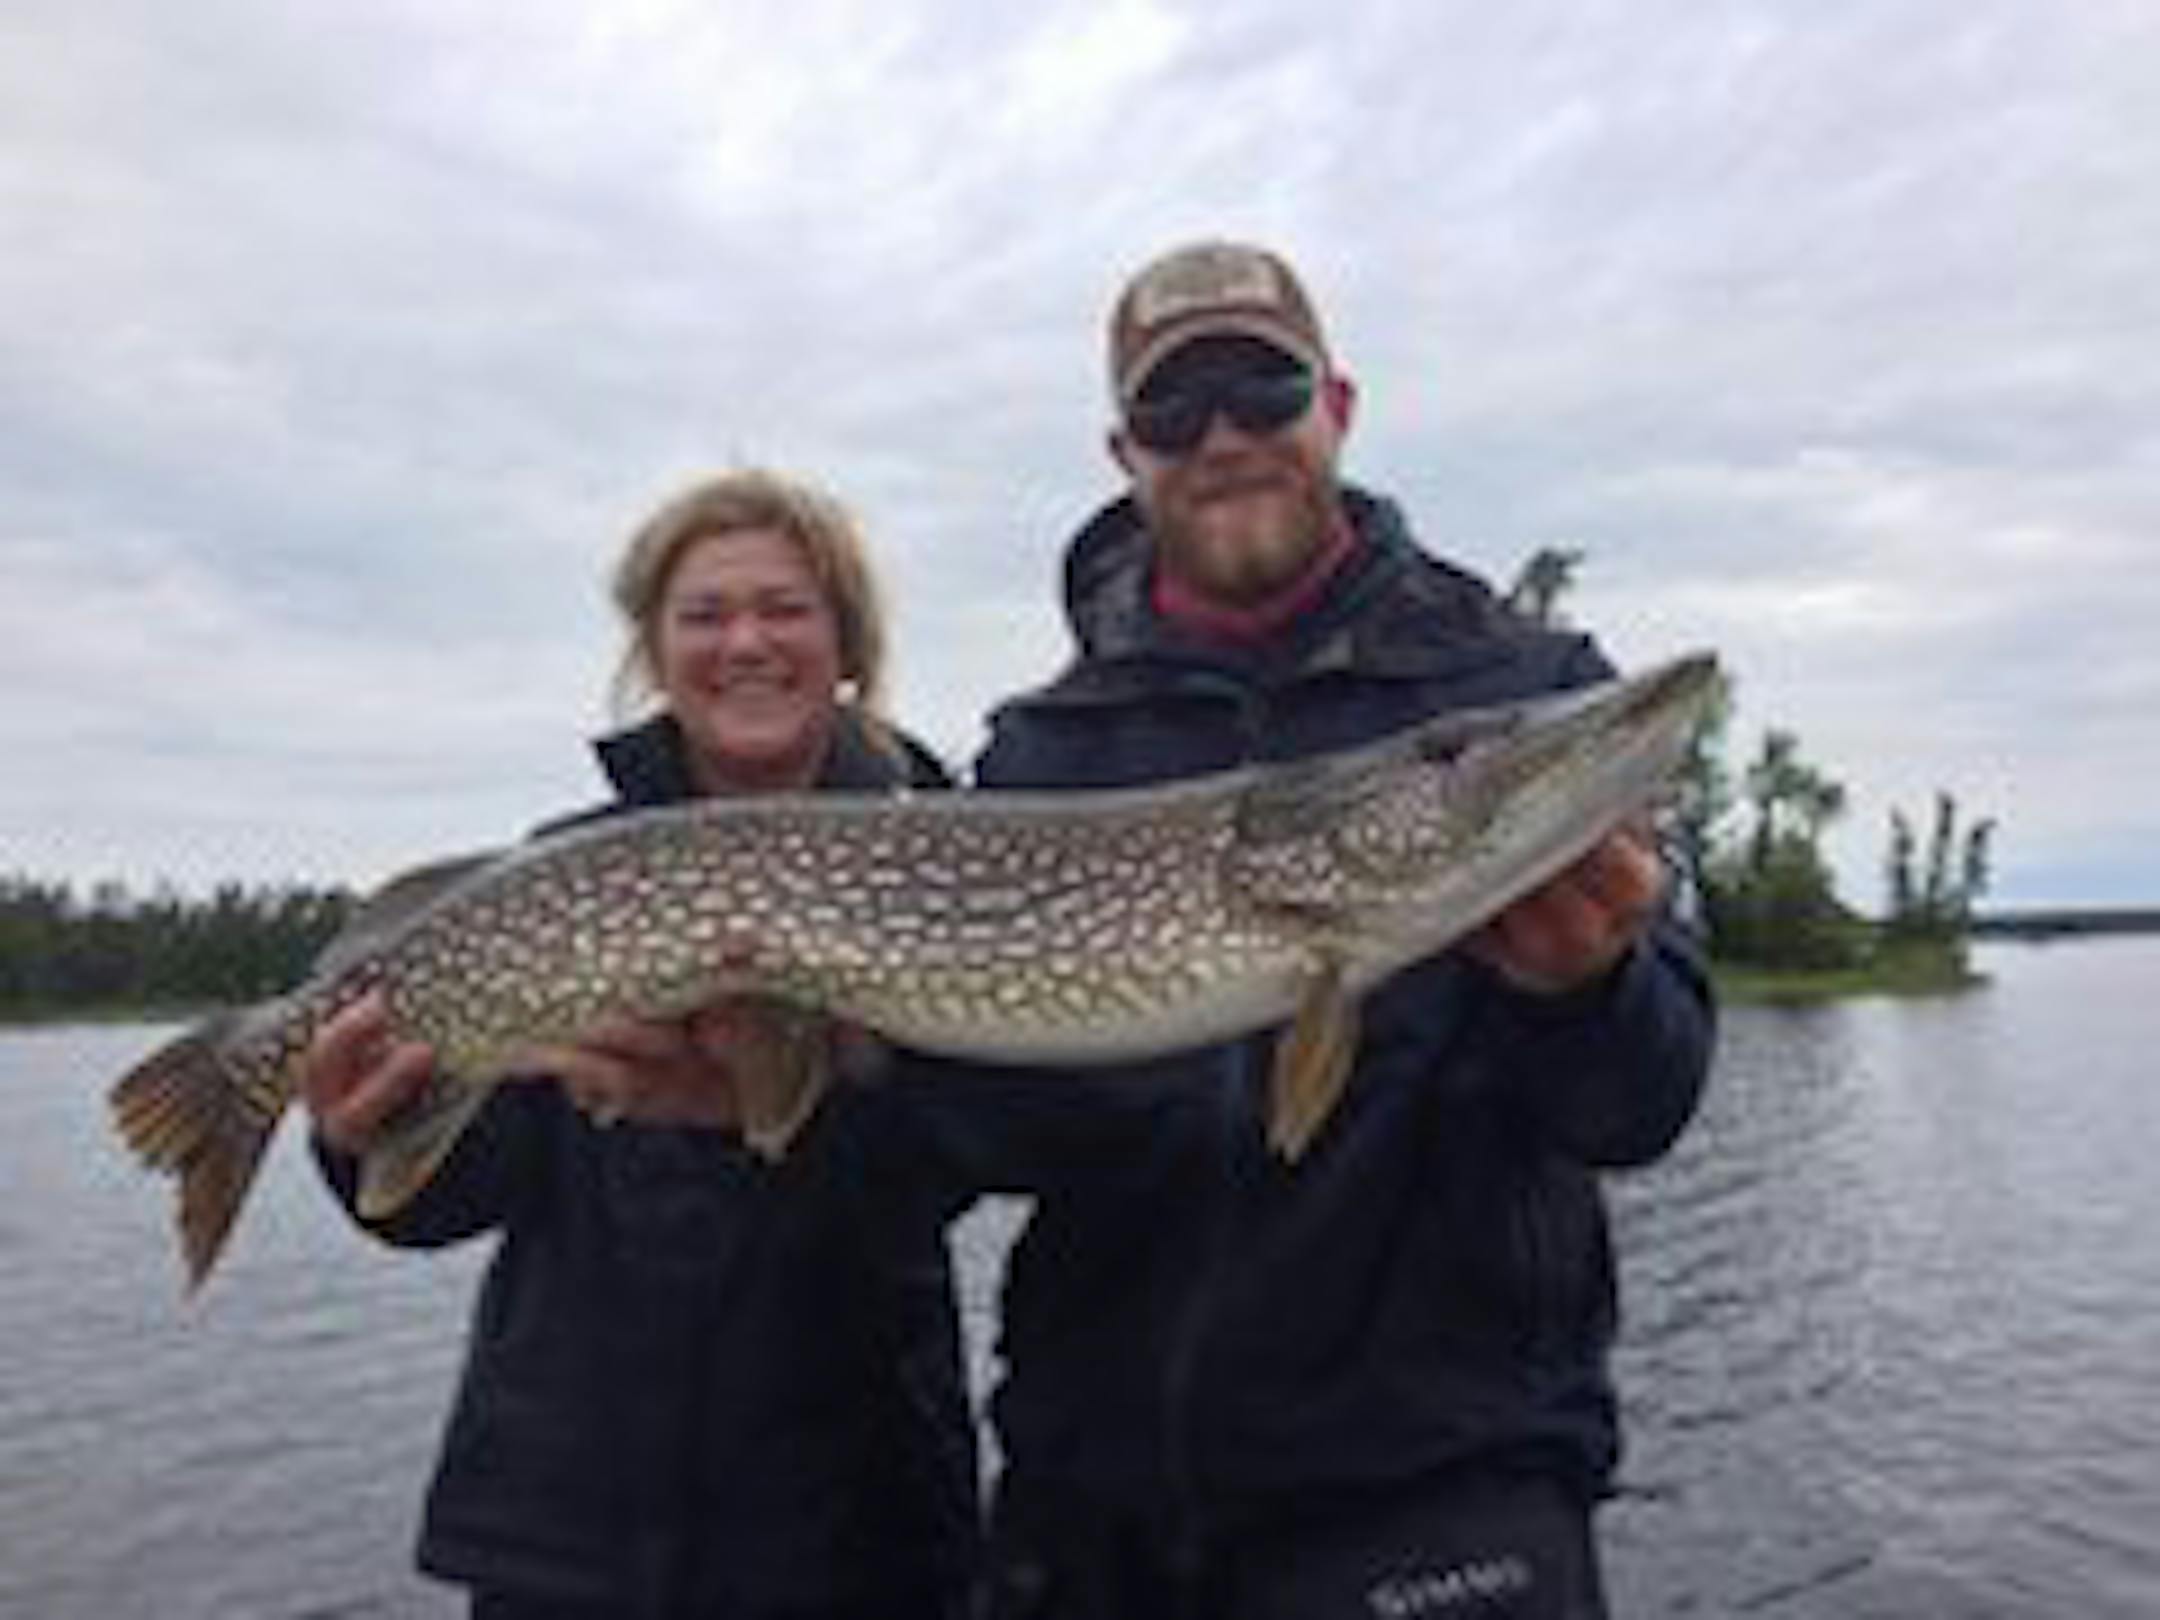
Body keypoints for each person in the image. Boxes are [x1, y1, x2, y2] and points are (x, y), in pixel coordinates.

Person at [931, 241, 1716, 1618]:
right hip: (1098, 1512)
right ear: (1126, 451)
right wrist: (835, 1054)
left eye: (1263, 387)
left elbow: (1643, 1104)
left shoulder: (1524, 681)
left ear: (1336, 407)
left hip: (1441, 1485)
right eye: (1177, 409)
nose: (1224, 436)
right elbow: (980, 1142)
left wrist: (1590, 990)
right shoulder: (1043, 751)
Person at [299, 470, 980, 1620]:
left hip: (855, 1532)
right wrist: (359, 1132)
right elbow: (444, 1200)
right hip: (569, 1540)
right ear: (658, 655)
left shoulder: (955, 861)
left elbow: (971, 1156)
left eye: (786, 607)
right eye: (705, 615)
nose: (746, 640)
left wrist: (768, 1107)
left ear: (846, 643)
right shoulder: (564, 876)